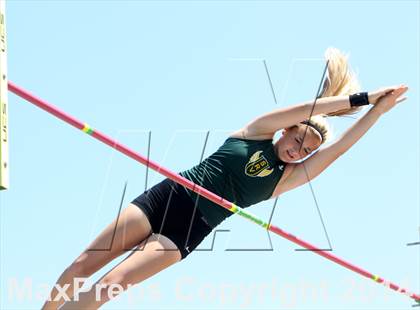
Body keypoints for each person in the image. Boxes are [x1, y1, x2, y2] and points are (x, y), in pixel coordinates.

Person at [41, 48, 408, 309]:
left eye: (305, 151)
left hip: (190, 227)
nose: (298, 151)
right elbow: (305, 109)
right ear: (285, 131)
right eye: (297, 139)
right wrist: (362, 98)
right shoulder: (256, 133)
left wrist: (377, 112)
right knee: (81, 267)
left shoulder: (285, 180)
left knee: (109, 287)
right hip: (171, 196)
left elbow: (338, 150)